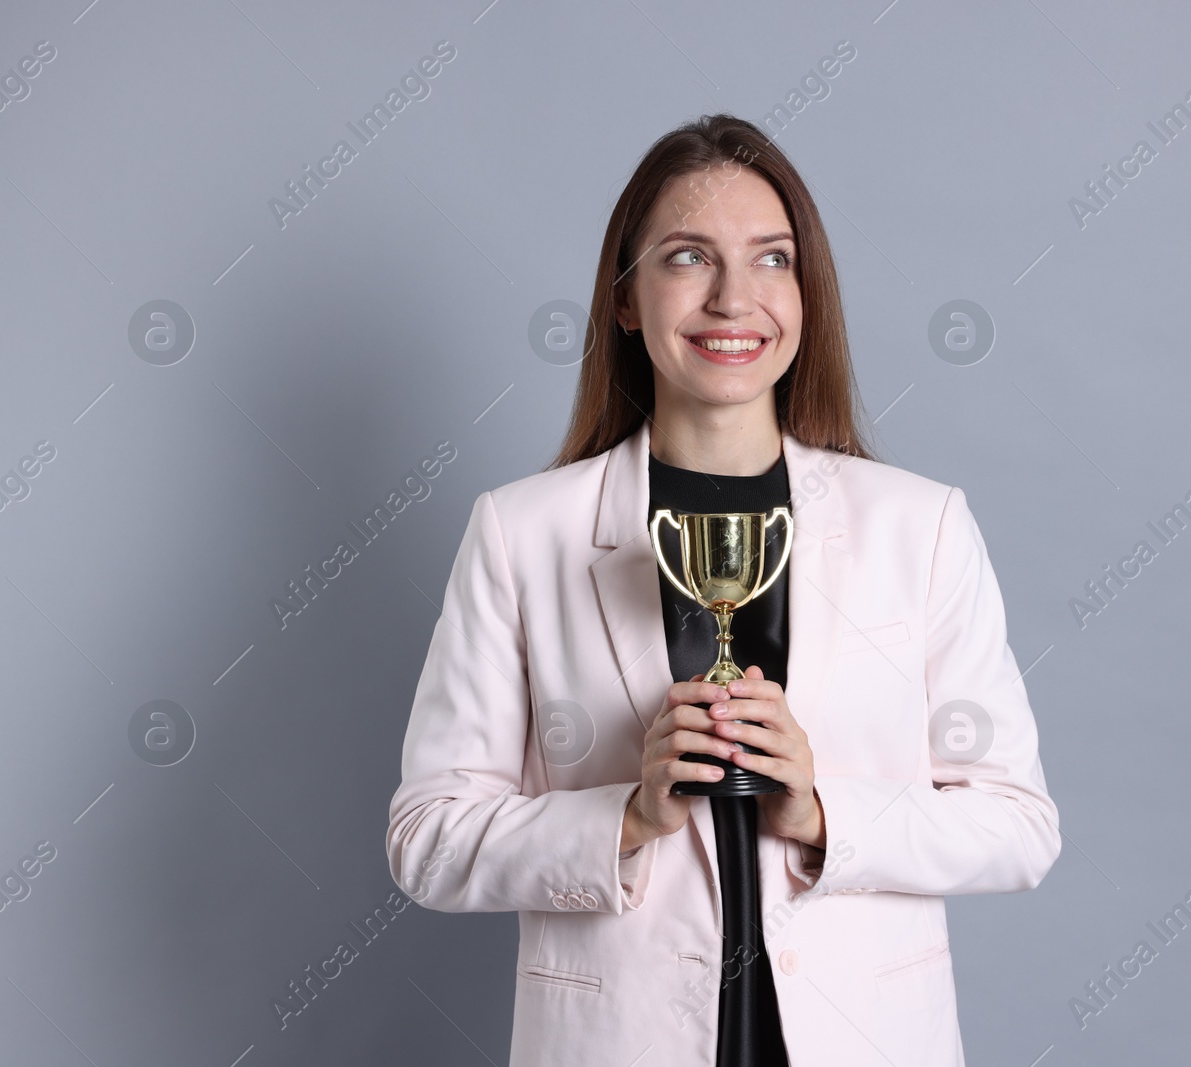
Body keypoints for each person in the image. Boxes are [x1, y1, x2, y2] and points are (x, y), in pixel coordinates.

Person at [385, 113, 1061, 1067]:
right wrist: (623, 814)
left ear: (807, 293)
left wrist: (824, 812)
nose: (733, 298)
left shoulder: (921, 526)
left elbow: (1018, 826)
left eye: (772, 259)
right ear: (626, 300)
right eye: (688, 256)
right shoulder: (521, 533)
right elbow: (428, 838)